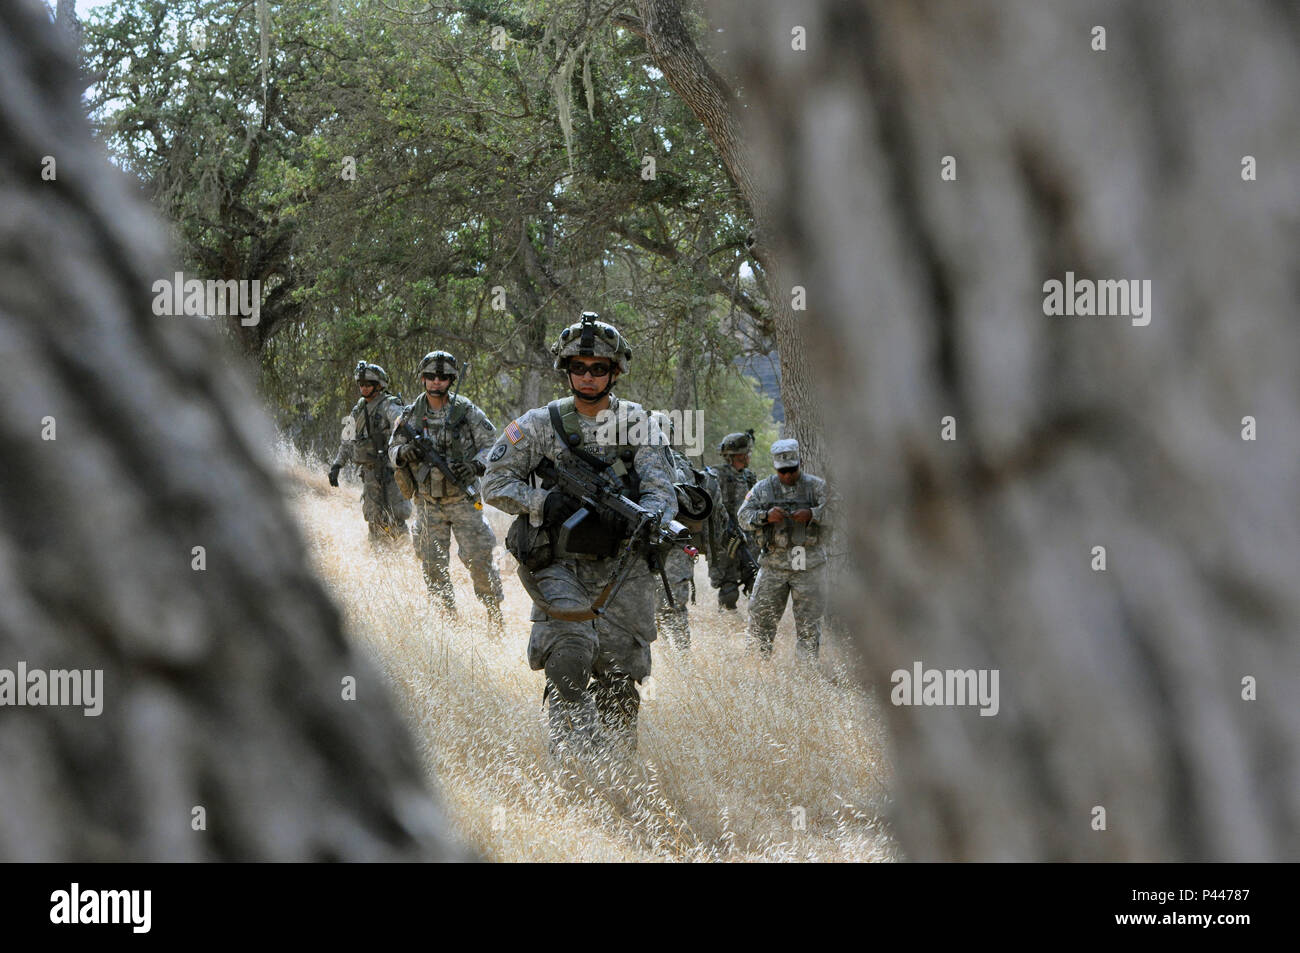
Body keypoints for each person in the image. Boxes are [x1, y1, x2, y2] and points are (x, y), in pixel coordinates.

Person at [481, 312, 678, 758]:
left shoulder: (639, 425)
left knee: (619, 674)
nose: (588, 377)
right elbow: (493, 484)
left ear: (615, 372)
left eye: (599, 368)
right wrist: (542, 504)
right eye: (579, 367)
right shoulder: (537, 424)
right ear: (566, 370)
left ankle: (616, 765)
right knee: (568, 656)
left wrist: (644, 519)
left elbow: (660, 491)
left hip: (621, 567)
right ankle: (571, 763)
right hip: (558, 562)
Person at [388, 350, 505, 630]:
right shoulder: (410, 416)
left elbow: (494, 446)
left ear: (451, 380)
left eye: (442, 377)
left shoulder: (466, 411)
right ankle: (447, 624)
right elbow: (391, 451)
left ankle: (494, 616)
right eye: (431, 376)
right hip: (428, 503)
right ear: (422, 378)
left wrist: (475, 466)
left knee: (479, 559)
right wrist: (406, 451)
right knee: (432, 564)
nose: (436, 382)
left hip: (464, 500)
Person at [737, 438, 832, 660]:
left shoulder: (817, 487)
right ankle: (758, 667)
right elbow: (743, 516)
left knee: (809, 623)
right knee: (761, 617)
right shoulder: (762, 488)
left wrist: (813, 514)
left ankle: (807, 674)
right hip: (774, 566)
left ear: (799, 464)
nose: (788, 475)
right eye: (783, 471)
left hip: (809, 566)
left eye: (792, 470)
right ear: (775, 468)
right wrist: (765, 516)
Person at [651, 413, 729, 650]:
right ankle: (663, 654)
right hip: (646, 544)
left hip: (674, 544)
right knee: (652, 604)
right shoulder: (635, 461)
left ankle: (681, 655)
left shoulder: (676, 461)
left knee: (673, 602)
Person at [328, 361, 412, 543]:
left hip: (390, 472)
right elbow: (347, 439)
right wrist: (337, 465)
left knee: (395, 517)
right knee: (373, 519)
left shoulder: (389, 404)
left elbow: (401, 422)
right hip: (370, 474)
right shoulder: (358, 409)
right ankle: (379, 557)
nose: (363, 388)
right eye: (361, 384)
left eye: (368, 384)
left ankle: (402, 557)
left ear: (378, 385)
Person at [708, 430, 758, 610]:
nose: (748, 457)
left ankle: (756, 621)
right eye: (745, 454)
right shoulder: (714, 475)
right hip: (725, 540)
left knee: (756, 580)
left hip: (748, 540)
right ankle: (729, 619)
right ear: (736, 456)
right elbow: (710, 506)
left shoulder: (749, 477)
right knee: (729, 590)